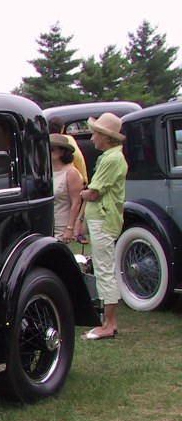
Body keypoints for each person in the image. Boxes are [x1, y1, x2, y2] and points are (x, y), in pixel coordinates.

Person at [79, 112, 128, 340]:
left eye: (95, 134)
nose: (92, 139)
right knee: (103, 267)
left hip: (103, 219)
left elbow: (94, 192)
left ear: (106, 137)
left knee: (104, 270)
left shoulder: (111, 159)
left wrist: (82, 192)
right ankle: (111, 322)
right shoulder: (110, 156)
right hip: (102, 218)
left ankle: (107, 324)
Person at [50, 133, 85, 243]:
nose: (47, 152)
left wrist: (70, 228)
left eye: (52, 149)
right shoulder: (46, 172)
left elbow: (76, 202)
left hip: (62, 226)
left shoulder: (71, 173)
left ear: (62, 152)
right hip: (47, 223)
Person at [47, 116, 89, 186]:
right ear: (62, 128)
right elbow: (78, 158)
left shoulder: (45, 140)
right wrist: (84, 178)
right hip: (68, 178)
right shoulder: (68, 139)